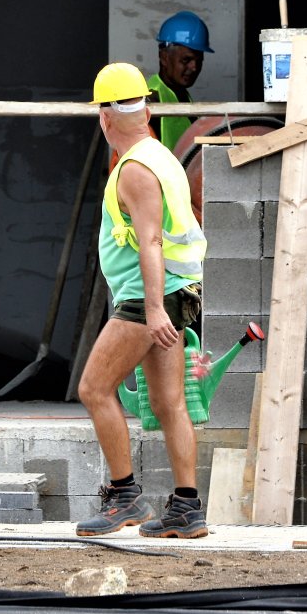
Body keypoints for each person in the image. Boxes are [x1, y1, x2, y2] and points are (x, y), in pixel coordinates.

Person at [75, 62, 210, 539]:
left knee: (94, 389)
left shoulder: (134, 170)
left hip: (147, 298)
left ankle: (124, 495)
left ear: (104, 117)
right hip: (173, 293)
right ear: (148, 110)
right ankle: (186, 507)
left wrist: (152, 311)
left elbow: (149, 241)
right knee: (169, 401)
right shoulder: (159, 156)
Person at [147, 10, 211, 154]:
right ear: (164, 57)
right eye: (186, 60)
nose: (194, 67)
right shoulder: (151, 99)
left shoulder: (181, 94)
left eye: (199, 61)